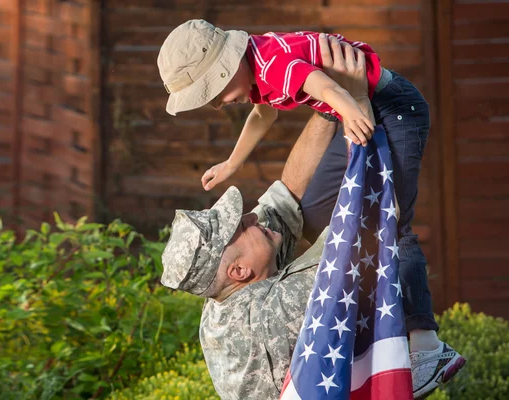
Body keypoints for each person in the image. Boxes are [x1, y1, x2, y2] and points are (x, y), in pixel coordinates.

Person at [157, 19, 465, 398]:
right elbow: (370, 229)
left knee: (308, 215)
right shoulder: (272, 313)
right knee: (389, 233)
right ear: (239, 270)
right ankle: (426, 350)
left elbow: (285, 194)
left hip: (375, 95)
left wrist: (327, 109)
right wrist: (355, 100)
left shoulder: (227, 285)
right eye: (241, 226)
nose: (252, 216)